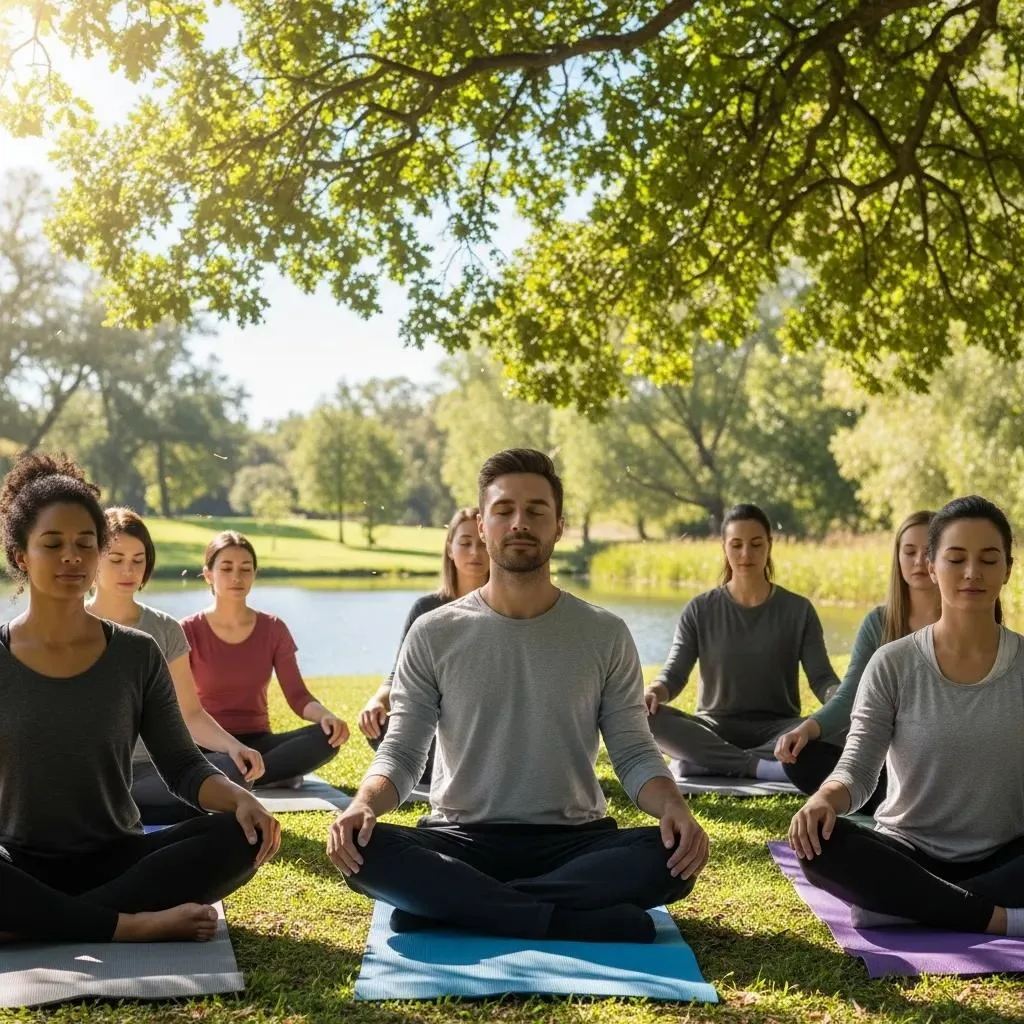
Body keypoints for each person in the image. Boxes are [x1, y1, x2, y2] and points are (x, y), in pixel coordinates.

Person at [328, 448, 708, 944]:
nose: (519, 523)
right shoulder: (433, 632)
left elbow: (634, 752)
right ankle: (564, 920)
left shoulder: (604, 633)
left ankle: (456, 907)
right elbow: (402, 751)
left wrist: (675, 808)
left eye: (535, 511)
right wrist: (363, 806)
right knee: (366, 849)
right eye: (504, 510)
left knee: (669, 861)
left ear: (558, 526)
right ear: (482, 526)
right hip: (460, 836)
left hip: (574, 842)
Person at [0, 452, 280, 944]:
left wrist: (239, 797)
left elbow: (182, 766)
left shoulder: (137, 653)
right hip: (18, 863)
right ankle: (120, 925)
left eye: (86, 543)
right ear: (21, 555)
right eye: (52, 543)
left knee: (237, 835)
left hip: (120, 859)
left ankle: (38, 924)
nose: (72, 556)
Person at [789, 496, 1024, 936]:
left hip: (1006, 854)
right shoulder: (892, 663)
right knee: (820, 847)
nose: (972, 573)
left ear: (1007, 569)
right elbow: (858, 769)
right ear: (932, 568)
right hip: (907, 849)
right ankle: (997, 918)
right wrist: (824, 798)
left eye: (988, 559)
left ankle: (909, 902)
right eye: (956, 559)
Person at [88, 507, 266, 825]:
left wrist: (234, 746)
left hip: (157, 773)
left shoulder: (166, 629)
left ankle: (128, 813)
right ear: (94, 560)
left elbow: (190, 713)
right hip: (93, 776)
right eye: (116, 559)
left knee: (234, 770)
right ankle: (121, 810)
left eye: (138, 560)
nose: (128, 570)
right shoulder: (72, 624)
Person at [645, 504, 842, 780]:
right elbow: (674, 675)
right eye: (736, 545)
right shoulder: (700, 609)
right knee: (645, 717)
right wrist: (654, 691)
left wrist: (839, 699)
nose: (746, 554)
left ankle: (708, 761)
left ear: (769, 545)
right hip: (712, 726)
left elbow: (822, 678)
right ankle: (762, 767)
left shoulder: (798, 610)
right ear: (724, 547)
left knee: (840, 727)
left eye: (756, 544)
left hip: (778, 729)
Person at [774, 511, 940, 806]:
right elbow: (851, 695)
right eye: (909, 551)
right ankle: (896, 801)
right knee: (801, 757)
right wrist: (806, 729)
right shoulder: (878, 623)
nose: (918, 561)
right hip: (885, 763)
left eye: (928, 552)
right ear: (897, 558)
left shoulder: (966, 620)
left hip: (944, 762)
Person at [181, 531, 348, 788]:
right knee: (213, 762)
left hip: (260, 742)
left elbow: (298, 696)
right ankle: (262, 774)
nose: (237, 577)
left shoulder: (273, 629)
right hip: (209, 745)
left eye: (245, 569)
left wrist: (326, 716)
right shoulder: (187, 631)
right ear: (208, 575)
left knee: (324, 738)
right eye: (226, 568)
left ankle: (244, 776)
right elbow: (178, 707)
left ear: (254, 575)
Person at [357, 506, 488, 786]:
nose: (475, 552)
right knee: (379, 727)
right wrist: (376, 701)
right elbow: (399, 673)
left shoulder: (506, 609)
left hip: (485, 729)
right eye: (465, 543)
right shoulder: (426, 608)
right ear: (450, 549)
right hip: (435, 727)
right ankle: (448, 771)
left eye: (483, 543)